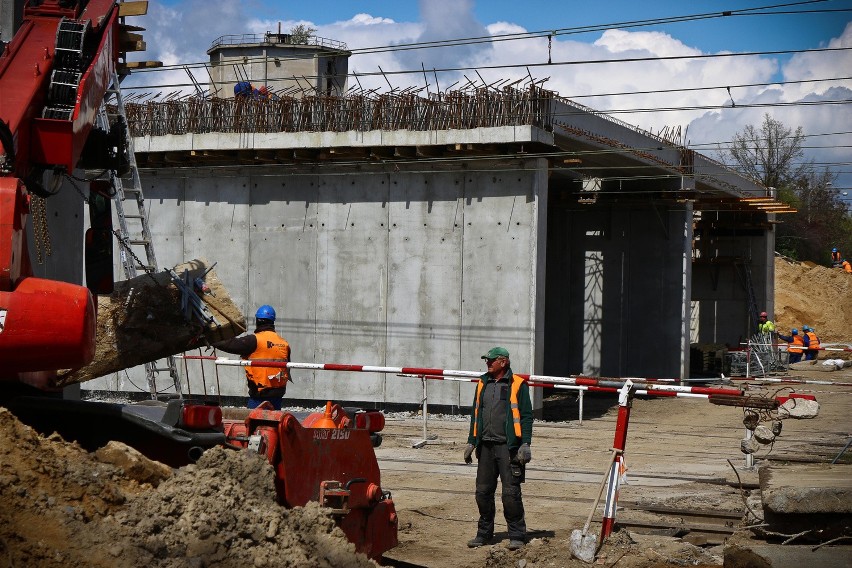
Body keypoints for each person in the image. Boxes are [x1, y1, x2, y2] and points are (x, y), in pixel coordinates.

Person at [463, 347, 533, 551]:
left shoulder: (518, 384)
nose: (488, 363)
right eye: (487, 360)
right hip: (485, 446)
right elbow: (476, 413)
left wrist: (525, 443)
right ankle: (484, 534)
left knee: (510, 494)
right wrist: (471, 441)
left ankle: (517, 535)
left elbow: (527, 415)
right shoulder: (483, 383)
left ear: (503, 362)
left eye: (491, 360)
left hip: (508, 448)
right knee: (482, 493)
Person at [212, 304, 291, 409]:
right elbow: (287, 369)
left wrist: (211, 339)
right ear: (273, 322)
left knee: (253, 422)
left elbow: (229, 344)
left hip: (259, 395)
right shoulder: (284, 343)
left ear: (257, 321)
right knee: (274, 422)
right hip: (278, 394)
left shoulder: (254, 340)